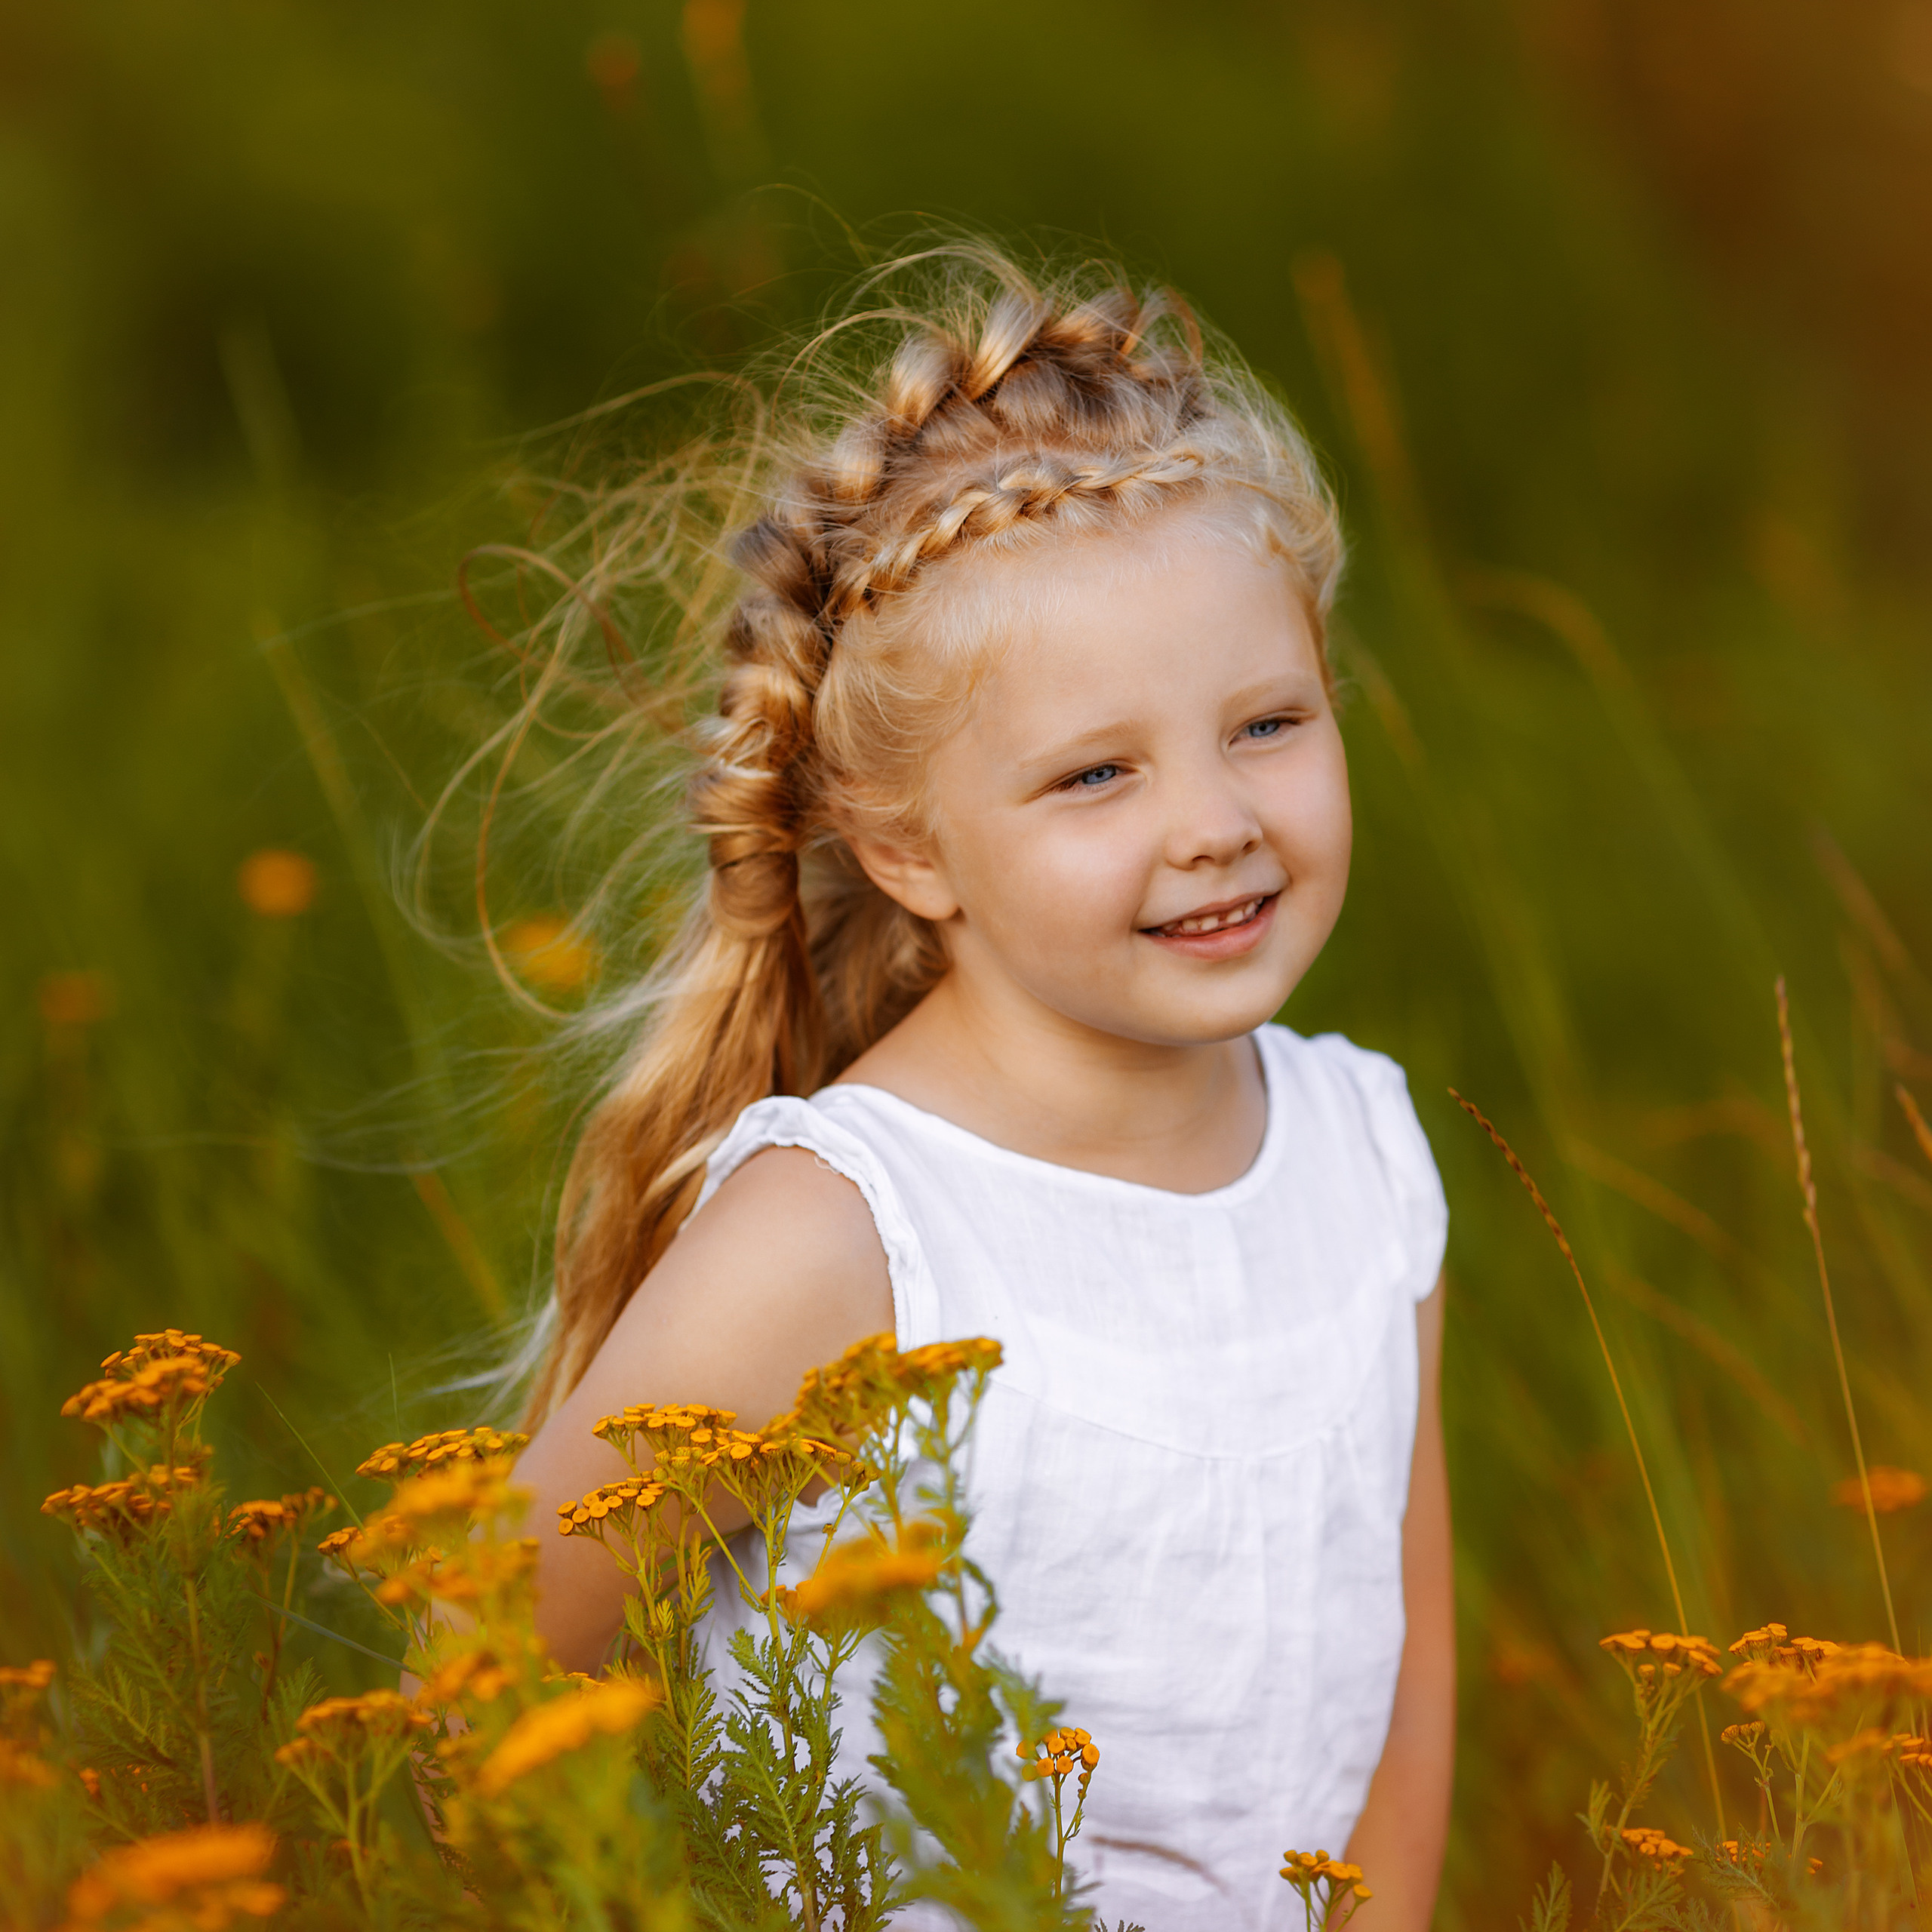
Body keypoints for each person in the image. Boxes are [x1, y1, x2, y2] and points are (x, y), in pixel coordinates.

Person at [507, 245, 1454, 1932]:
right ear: (903, 844)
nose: (1213, 820)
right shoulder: (842, 1230)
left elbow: (1398, 1724)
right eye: (1096, 771)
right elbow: (480, 1659)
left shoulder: (1362, 1160)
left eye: (1264, 723)